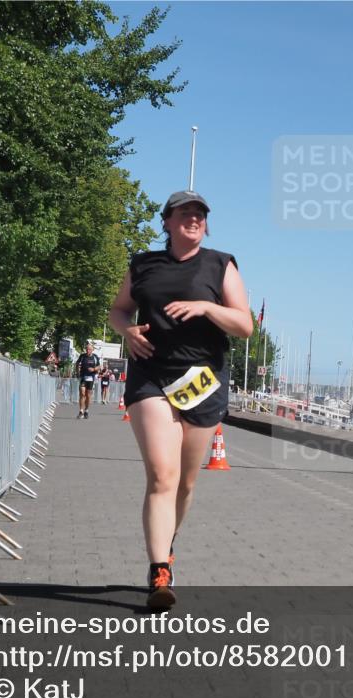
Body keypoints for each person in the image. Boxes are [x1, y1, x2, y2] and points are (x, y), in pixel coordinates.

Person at [108, 190, 251, 608]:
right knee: (162, 476)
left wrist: (206, 308)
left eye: (201, 214)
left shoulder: (220, 264)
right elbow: (118, 310)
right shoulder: (144, 265)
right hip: (151, 374)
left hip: (202, 382)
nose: (194, 219)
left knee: (186, 483)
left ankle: (166, 544)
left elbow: (244, 325)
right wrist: (127, 331)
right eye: (185, 213)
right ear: (167, 221)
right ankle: (159, 574)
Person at [75, 342, 100, 419]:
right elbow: (77, 364)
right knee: (82, 393)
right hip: (83, 377)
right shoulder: (82, 356)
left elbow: (99, 366)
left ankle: (86, 410)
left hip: (91, 378)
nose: (87, 350)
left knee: (88, 395)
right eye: (87, 349)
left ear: (92, 350)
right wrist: (78, 373)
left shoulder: (95, 357)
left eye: (89, 349)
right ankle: (81, 411)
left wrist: (94, 369)